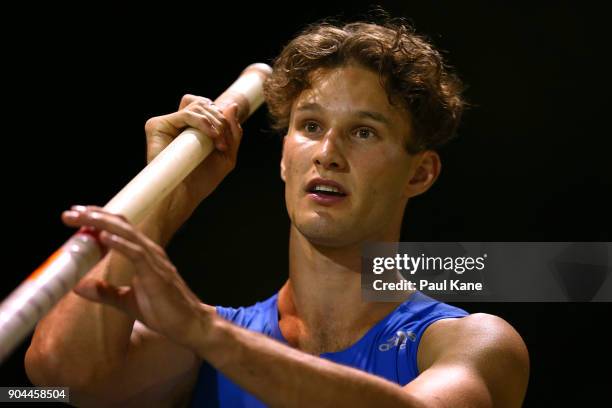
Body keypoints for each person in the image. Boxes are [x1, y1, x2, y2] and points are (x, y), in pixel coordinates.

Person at [25, 19, 529, 407]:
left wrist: (210, 336)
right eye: (310, 126)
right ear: (285, 158)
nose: (327, 152)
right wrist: (163, 197)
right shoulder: (205, 344)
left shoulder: (469, 342)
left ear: (419, 174)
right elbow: (60, 377)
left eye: (363, 132)